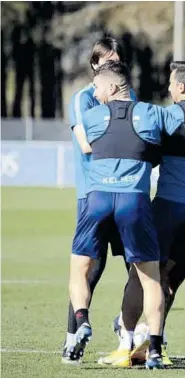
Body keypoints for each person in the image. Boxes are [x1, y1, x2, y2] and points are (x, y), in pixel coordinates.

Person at [69, 60, 183, 370]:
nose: (95, 92)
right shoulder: (151, 113)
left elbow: (86, 144)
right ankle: (155, 349)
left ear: (110, 87)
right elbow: (181, 121)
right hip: (134, 200)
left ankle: (81, 321)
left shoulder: (91, 116)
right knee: (150, 278)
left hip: (97, 199)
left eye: (97, 87)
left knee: (80, 268)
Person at [63, 36, 138, 364]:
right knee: (89, 267)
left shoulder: (129, 96)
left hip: (127, 191)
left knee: (137, 266)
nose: (113, 63)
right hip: (92, 192)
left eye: (117, 59)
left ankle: (128, 331)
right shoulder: (83, 99)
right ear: (94, 65)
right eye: (107, 59)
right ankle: (72, 338)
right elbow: (86, 144)